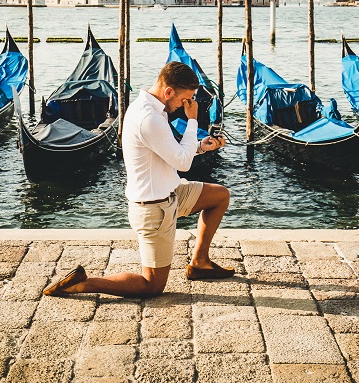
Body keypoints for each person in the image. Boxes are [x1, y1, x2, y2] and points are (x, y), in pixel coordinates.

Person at [43, 61, 232, 298]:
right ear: (169, 92)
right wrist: (192, 120)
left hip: (173, 193)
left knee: (219, 196)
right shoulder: (149, 118)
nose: (187, 105)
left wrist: (200, 147)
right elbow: (182, 163)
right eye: (186, 99)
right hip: (154, 209)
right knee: (151, 285)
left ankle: (200, 263)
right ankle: (85, 283)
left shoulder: (153, 110)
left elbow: (171, 152)